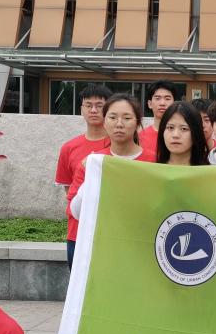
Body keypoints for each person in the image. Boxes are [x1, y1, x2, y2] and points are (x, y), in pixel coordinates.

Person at [68, 94, 154, 222]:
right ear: (104, 122)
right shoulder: (92, 163)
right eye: (112, 117)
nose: (119, 124)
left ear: (137, 123)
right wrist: (92, 174)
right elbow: (75, 212)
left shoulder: (155, 162)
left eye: (127, 118)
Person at [55, 84, 112, 268]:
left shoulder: (119, 146)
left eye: (99, 105)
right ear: (81, 109)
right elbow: (69, 191)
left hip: (110, 231)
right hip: (77, 231)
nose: (93, 110)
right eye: (88, 105)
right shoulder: (69, 148)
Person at [156, 101, 210, 166]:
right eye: (170, 128)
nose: (175, 135)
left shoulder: (209, 171)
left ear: (196, 132)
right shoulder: (151, 170)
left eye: (184, 129)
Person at [140, 80, 178, 160]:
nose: (162, 103)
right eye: (157, 98)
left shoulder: (182, 135)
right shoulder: (140, 137)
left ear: (175, 103)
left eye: (167, 99)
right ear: (149, 104)